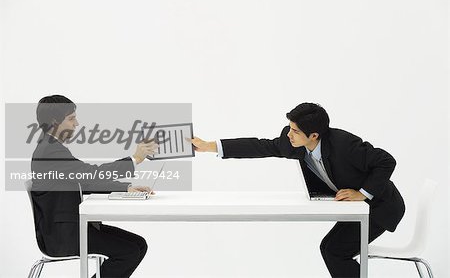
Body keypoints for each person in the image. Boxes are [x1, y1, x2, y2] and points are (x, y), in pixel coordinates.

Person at [191, 102, 405, 278]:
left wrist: (363, 193)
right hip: (356, 208)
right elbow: (260, 146)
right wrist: (210, 146)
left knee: (335, 252)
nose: (289, 135)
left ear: (314, 135)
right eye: (290, 128)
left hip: (380, 206)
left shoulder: (344, 144)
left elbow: (386, 161)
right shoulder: (292, 142)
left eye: (295, 131)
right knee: (330, 249)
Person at [30, 95, 158, 278]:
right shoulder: (50, 150)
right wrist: (135, 159)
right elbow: (91, 174)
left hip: (68, 228)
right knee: (129, 251)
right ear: (54, 122)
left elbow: (85, 180)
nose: (76, 124)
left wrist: (126, 189)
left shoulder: (49, 146)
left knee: (138, 245)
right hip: (63, 236)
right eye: (71, 118)